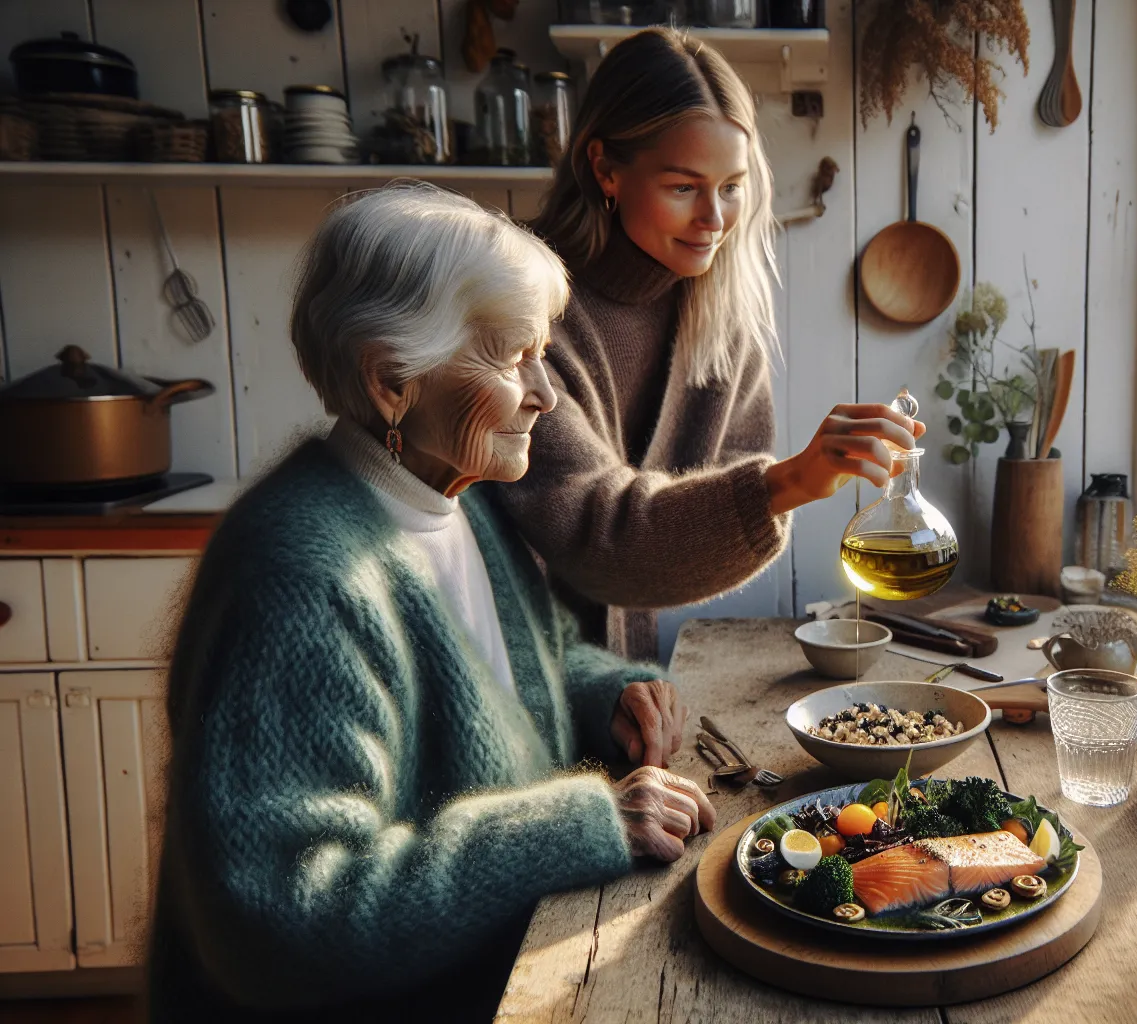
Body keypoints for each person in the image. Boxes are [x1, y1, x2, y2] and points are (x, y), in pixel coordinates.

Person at [148, 184, 715, 1023]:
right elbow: (279, 918)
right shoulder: (305, 576)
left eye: (541, 354)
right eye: (509, 357)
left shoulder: (461, 498)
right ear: (392, 384)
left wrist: (609, 695)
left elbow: (533, 662)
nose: (544, 394)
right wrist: (582, 824)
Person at [508, 28, 925, 664]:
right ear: (604, 169)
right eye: (683, 187)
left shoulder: (720, 311)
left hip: (623, 673)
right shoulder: (520, 306)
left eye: (730, 186)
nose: (715, 219)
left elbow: (699, 517)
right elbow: (597, 539)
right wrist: (787, 483)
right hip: (515, 661)